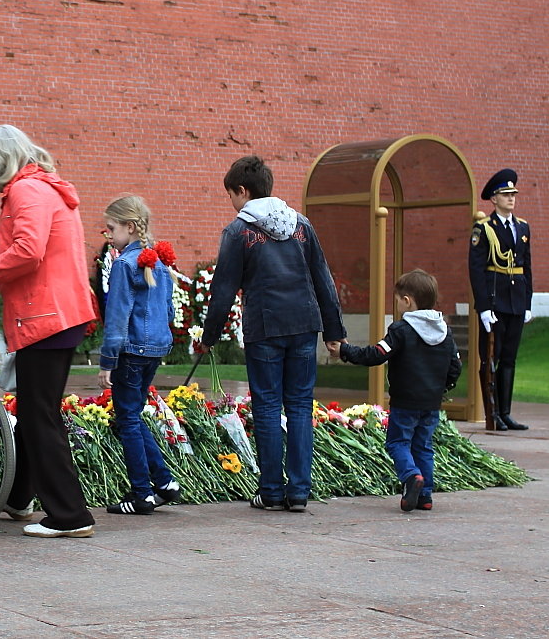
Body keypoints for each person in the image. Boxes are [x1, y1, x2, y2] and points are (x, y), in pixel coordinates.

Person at [0, 124, 98, 538]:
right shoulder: (46, 188)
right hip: (59, 313)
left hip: (44, 317)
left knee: (40, 417)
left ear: (2, 161)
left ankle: (69, 516)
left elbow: (27, 250)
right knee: (38, 413)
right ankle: (19, 499)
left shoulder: (25, 191)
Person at [201, 155, 345, 512]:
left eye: (231, 194)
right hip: (304, 324)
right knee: (298, 406)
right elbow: (322, 278)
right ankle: (299, 491)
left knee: (266, 407)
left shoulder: (239, 231)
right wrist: (333, 329)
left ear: (242, 190)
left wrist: (210, 335)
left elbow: (223, 290)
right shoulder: (301, 225)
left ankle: (270, 490)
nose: (232, 202)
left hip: (265, 327)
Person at [331, 269, 461, 512]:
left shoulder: (401, 330)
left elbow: (376, 354)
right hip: (431, 403)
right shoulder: (445, 332)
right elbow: (455, 366)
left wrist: (345, 351)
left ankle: (411, 477)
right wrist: (442, 388)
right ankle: (425, 496)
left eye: (399, 298)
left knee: (397, 442)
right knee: (423, 446)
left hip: (405, 401)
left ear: (407, 300)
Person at [96, 195, 183, 515]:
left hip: (131, 350)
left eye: (111, 229)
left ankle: (141, 492)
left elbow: (117, 316)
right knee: (132, 416)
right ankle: (163, 482)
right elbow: (169, 309)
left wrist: (108, 361)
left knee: (128, 419)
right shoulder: (157, 261)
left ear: (129, 227)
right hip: (155, 348)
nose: (109, 237)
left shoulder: (123, 264)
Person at [469, 169, 533, 431]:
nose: (511, 198)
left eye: (513, 194)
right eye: (506, 194)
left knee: (509, 358)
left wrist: (527, 303)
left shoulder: (523, 227)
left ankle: (505, 413)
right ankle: (491, 414)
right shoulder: (484, 228)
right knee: (490, 359)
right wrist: (483, 307)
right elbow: (476, 269)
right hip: (495, 302)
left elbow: (526, 267)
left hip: (516, 301)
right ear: (493, 199)